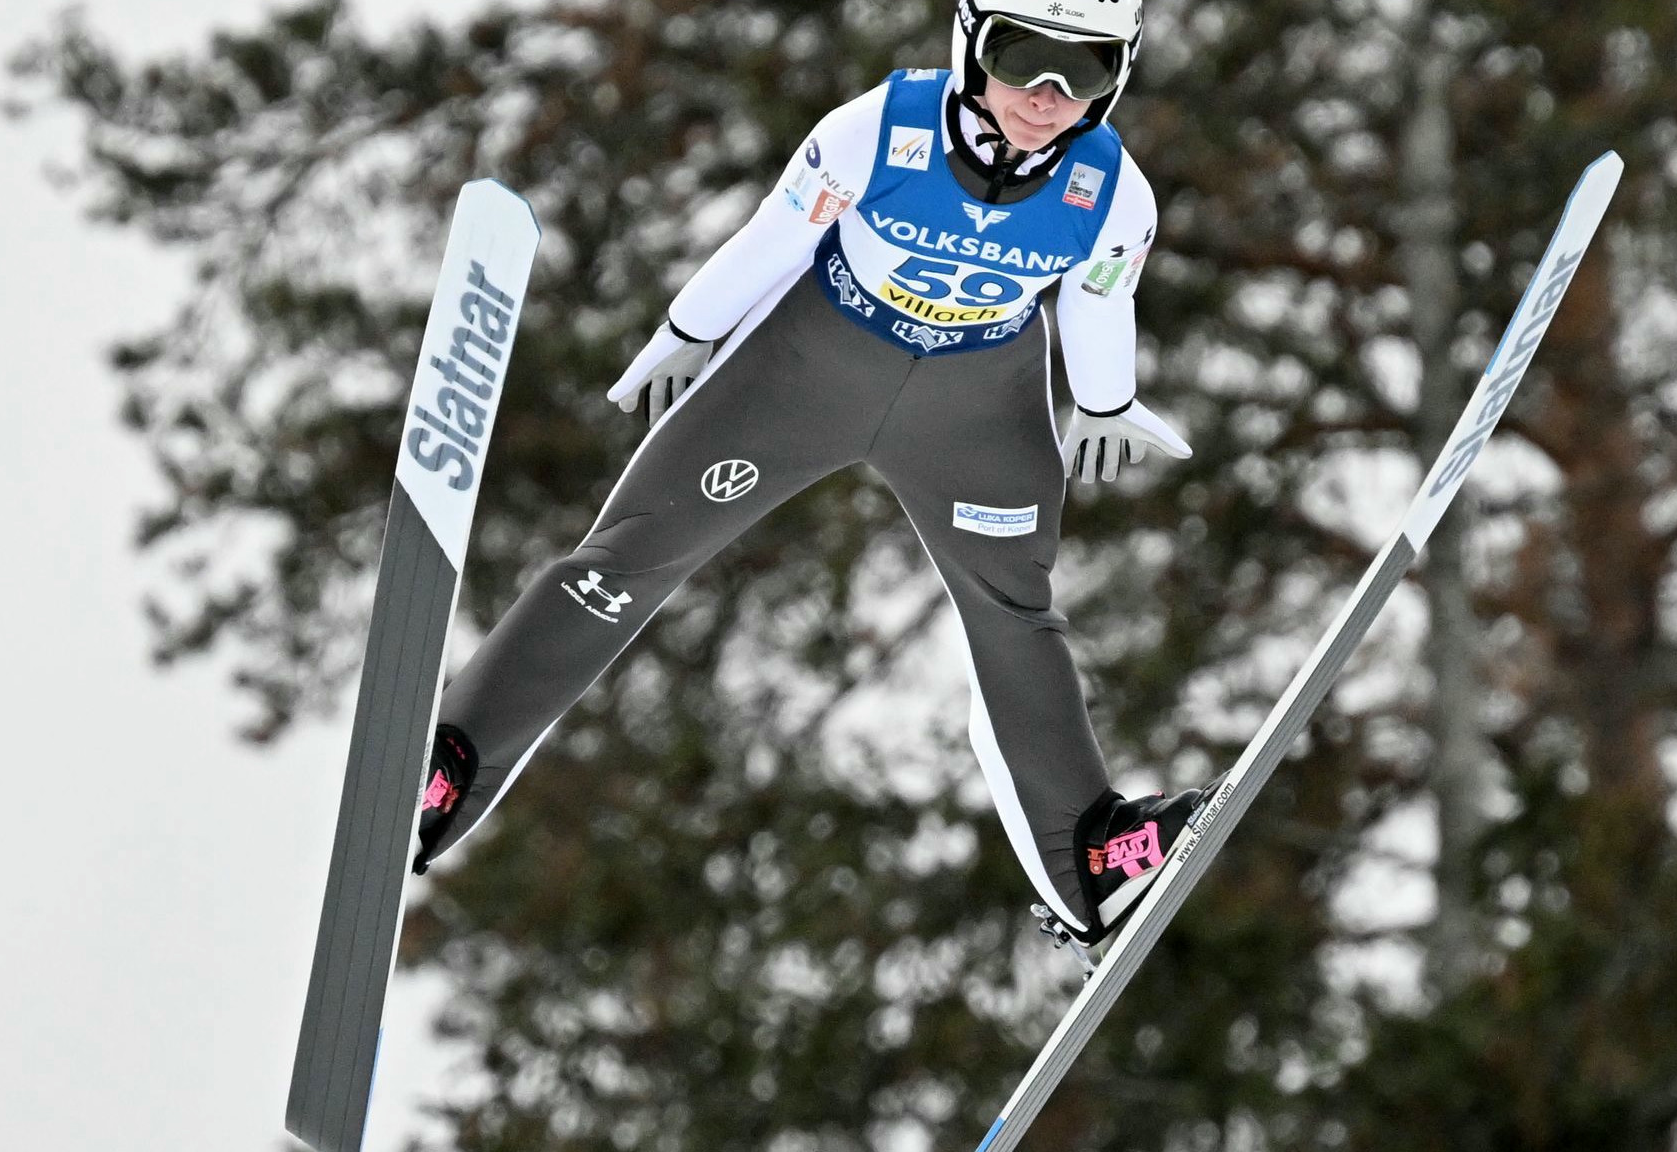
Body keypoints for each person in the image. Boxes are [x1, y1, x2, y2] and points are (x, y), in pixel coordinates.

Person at [411, 0, 1208, 947]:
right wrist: (688, 331)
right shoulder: (877, 130)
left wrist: (1107, 402)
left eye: (1085, 71)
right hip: (811, 368)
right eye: (1025, 57)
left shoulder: (1114, 193)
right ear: (970, 45)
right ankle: (448, 764)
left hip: (977, 405)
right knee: (629, 558)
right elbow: (774, 238)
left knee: (1016, 613)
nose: (1048, 96)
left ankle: (1091, 858)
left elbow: (1099, 300)